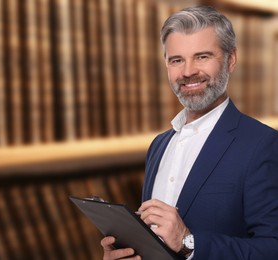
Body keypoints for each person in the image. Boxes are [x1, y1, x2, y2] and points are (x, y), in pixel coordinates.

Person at [101, 5, 278, 260]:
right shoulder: (159, 145)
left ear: (231, 60)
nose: (187, 72)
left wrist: (188, 242)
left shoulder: (263, 144)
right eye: (176, 60)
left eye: (202, 56)